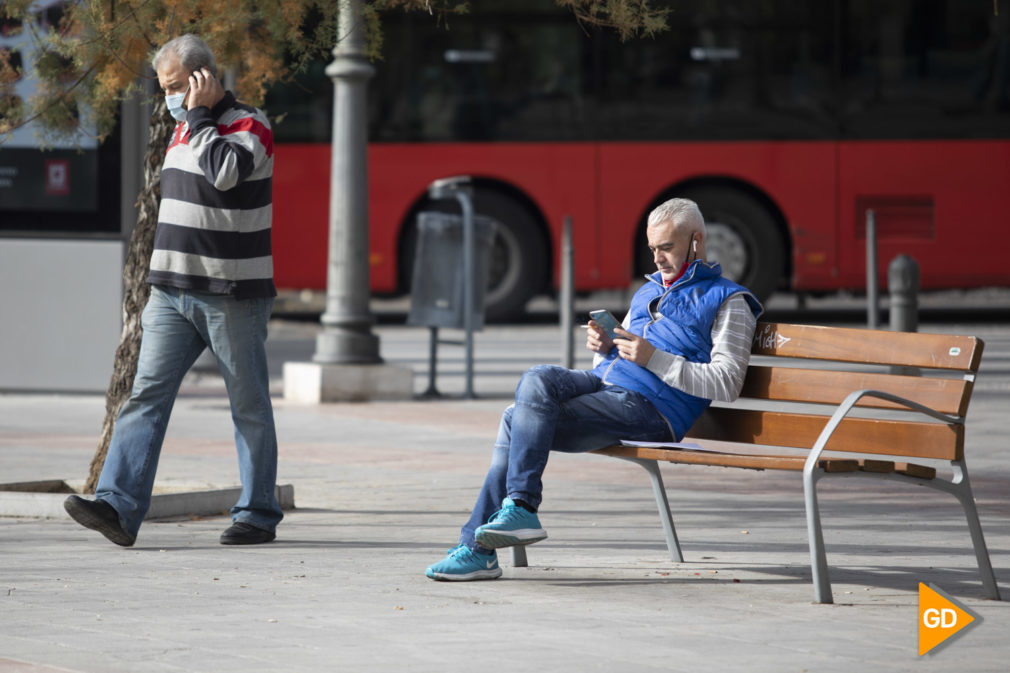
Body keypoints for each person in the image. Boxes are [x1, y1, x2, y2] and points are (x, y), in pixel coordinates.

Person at [425, 198, 763, 580]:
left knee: (514, 418)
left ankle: (484, 543)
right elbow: (615, 367)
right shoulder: (647, 291)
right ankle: (515, 516)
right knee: (537, 377)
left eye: (667, 248)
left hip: (654, 410)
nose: (657, 259)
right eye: (653, 249)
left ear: (697, 241)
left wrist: (653, 358)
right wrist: (605, 351)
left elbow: (727, 382)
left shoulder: (729, 300)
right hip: (611, 388)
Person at [63, 34, 282, 546]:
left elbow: (226, 174)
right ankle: (118, 507)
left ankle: (257, 513)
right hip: (169, 292)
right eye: (164, 88)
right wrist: (194, 119)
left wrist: (202, 117)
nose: (170, 97)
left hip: (231, 292)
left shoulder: (250, 124)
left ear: (205, 78)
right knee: (144, 398)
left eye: (177, 86)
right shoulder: (184, 129)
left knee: (248, 406)